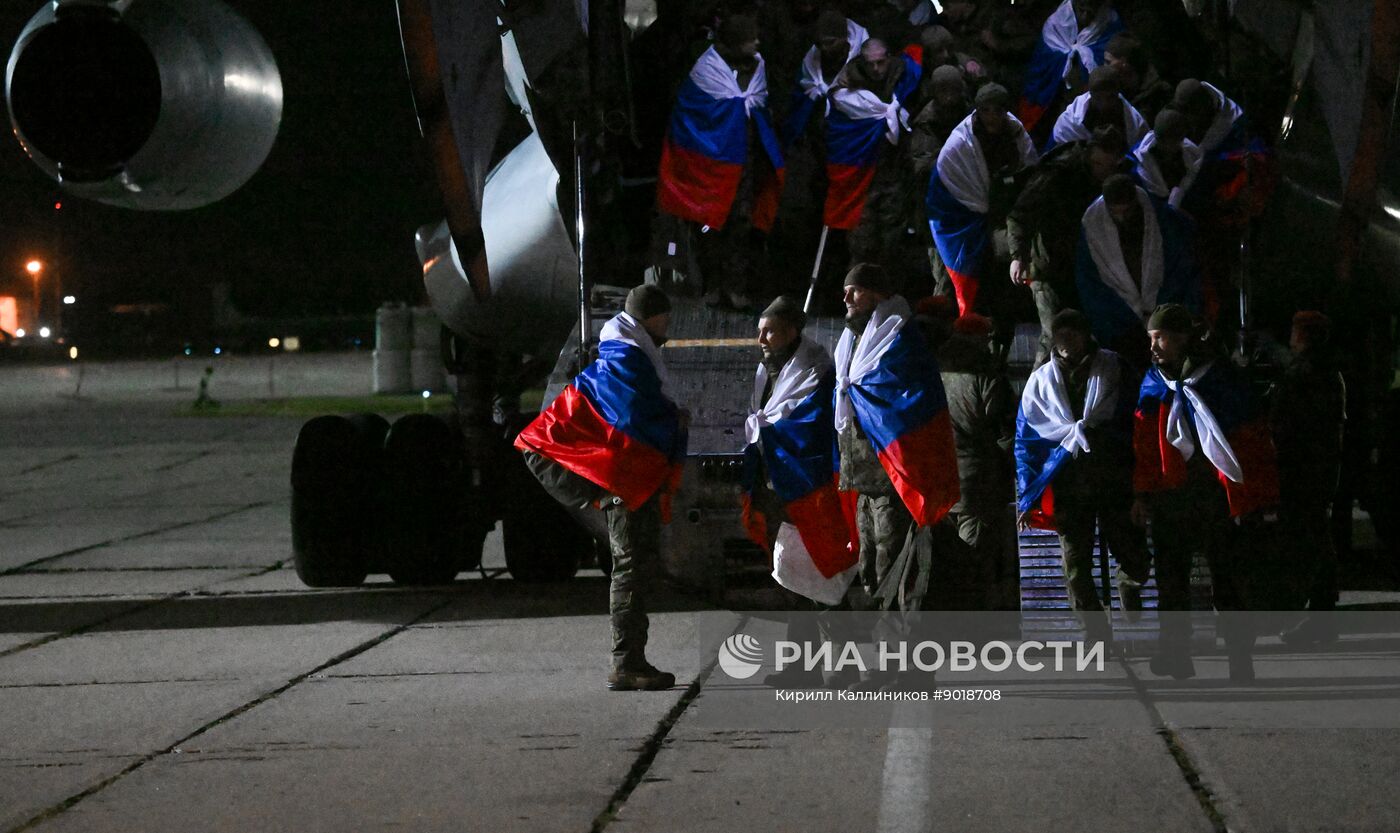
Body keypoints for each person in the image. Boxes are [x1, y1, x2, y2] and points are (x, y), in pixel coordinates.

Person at [514, 285, 689, 691]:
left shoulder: (625, 353)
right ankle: (627, 662)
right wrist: (674, 420)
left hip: (578, 464)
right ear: (652, 318)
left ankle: (630, 659)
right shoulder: (629, 359)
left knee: (633, 562)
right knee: (631, 565)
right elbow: (632, 416)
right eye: (665, 317)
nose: (669, 325)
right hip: (578, 464)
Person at [1131, 304, 1279, 682]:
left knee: (1228, 580)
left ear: (1182, 337)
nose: (1154, 347)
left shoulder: (1221, 380)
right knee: (1171, 583)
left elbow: (1249, 438)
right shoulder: (1154, 382)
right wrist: (1143, 494)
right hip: (1172, 498)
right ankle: (1177, 656)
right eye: (1151, 339)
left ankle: (1239, 659)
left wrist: (1250, 495)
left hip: (1215, 497)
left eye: (1160, 338)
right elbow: (1145, 444)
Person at [740, 296, 856, 687]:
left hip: (809, 487)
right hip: (780, 487)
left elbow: (811, 427)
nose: (761, 338)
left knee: (822, 575)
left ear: (792, 331)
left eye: (769, 331)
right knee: (791, 580)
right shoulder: (769, 369)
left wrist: (768, 430)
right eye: (759, 331)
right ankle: (802, 666)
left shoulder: (815, 370)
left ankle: (843, 666)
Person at [1016, 310, 1150, 645]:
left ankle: (1129, 585)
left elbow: (1139, 420)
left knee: (1134, 555)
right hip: (1069, 485)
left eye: (1072, 334)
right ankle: (1094, 631)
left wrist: (1140, 479)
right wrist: (1027, 493)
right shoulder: (1041, 380)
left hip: (1113, 477)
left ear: (1086, 335)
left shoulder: (1115, 368)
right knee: (1075, 565)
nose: (1065, 342)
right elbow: (1027, 439)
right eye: (1060, 335)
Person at [834, 264, 960, 602]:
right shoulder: (851, 343)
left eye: (855, 290)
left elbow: (907, 403)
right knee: (869, 565)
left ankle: (900, 644)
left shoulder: (899, 340)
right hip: (862, 479)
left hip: (892, 478)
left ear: (879, 295)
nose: (846, 297)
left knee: (895, 566)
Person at [656, 14, 784, 310]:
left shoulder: (759, 68)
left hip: (745, 167)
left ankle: (737, 288)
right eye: (750, 39)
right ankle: (711, 286)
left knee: (741, 226)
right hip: (710, 171)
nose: (757, 42)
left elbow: (762, 108)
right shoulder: (707, 71)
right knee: (708, 227)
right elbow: (690, 115)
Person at [1007, 125, 1131, 365]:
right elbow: (1020, 213)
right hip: (1048, 266)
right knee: (1055, 336)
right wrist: (1018, 255)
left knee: (1085, 336)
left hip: (1085, 267)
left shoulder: (1117, 177)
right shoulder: (1059, 173)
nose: (1101, 171)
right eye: (1097, 164)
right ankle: (1037, 398)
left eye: (1107, 166)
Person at [928, 309, 1018, 610]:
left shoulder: (931, 366)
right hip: (976, 482)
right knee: (975, 558)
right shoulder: (987, 371)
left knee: (944, 559)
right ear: (981, 338)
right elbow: (1005, 432)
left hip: (938, 479)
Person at [926, 83, 1038, 320]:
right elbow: (946, 188)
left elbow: (1029, 174)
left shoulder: (1016, 134)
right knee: (953, 290)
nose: (992, 117)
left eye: (997, 111)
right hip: (963, 222)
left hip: (1003, 220)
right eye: (985, 110)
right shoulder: (960, 144)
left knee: (1000, 290)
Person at [1271, 311, 1346, 644]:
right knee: (1318, 538)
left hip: (1301, 470)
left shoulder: (1302, 375)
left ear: (1302, 336)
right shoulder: (1330, 372)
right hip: (1321, 469)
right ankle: (1321, 613)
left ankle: (1319, 616)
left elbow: (1284, 423)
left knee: (1310, 542)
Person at [1074, 173, 1200, 370]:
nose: (1123, 219)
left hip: (1164, 318)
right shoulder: (1093, 226)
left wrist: (1162, 311)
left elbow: (1181, 267)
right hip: (1121, 324)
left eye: (1128, 212)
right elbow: (1091, 284)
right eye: (1117, 213)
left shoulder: (1162, 221)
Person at [825, 38, 923, 280]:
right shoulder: (849, 88)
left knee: (892, 244)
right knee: (861, 244)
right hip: (862, 177)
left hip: (893, 174)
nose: (877, 69)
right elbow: (841, 127)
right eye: (872, 64)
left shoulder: (902, 79)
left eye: (882, 62)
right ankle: (857, 304)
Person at [1018, 0, 1125, 140]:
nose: (1085, 16)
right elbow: (1040, 65)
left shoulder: (1110, 26)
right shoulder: (1055, 24)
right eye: (1081, 9)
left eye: (1090, 12)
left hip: (1087, 104)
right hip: (1052, 98)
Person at [1045, 65, 1147, 151]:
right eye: (1098, 98)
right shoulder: (1070, 120)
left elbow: (1140, 150)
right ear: (1090, 94)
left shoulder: (1133, 121)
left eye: (1110, 97)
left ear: (1117, 94)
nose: (1104, 103)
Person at [1132, 109, 1203, 209]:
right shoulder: (1138, 160)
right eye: (1165, 143)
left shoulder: (1192, 154)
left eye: (1175, 142)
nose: (1169, 148)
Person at [1103, 33, 1173, 124]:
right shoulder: (1117, 90)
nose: (1104, 66)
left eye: (1108, 62)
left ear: (1124, 62)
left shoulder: (1159, 92)